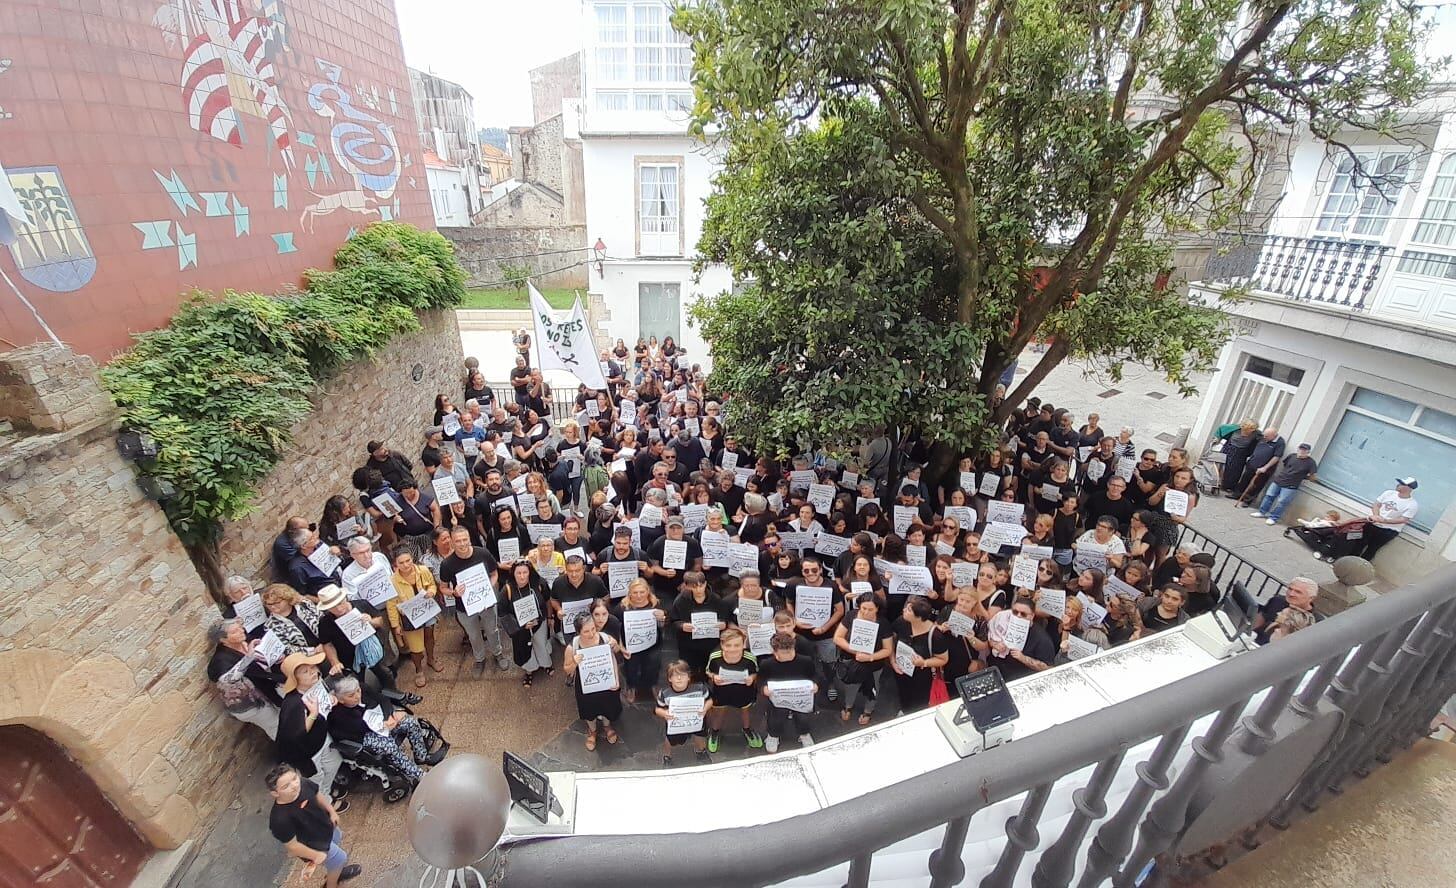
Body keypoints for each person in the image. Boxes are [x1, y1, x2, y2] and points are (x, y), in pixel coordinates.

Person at [326, 675, 444, 786]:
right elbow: (358, 728)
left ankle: (421, 755)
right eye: (351, 696)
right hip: (362, 734)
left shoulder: (363, 689)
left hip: (381, 719)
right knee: (390, 746)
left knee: (410, 722)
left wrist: (389, 715)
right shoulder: (338, 714)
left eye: (358, 690)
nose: (357, 696)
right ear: (341, 700)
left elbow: (382, 699)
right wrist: (383, 725)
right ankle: (418, 775)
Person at [266, 763, 360, 887]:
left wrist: (332, 812)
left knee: (337, 842)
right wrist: (315, 855)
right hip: (312, 844)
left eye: (294, 778)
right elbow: (292, 847)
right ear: (275, 793)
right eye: (285, 786)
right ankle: (331, 885)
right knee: (340, 858)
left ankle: (336, 872)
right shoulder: (279, 819)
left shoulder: (303, 783)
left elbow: (317, 794)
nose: (294, 786)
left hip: (325, 825)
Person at [437, 526, 511, 675]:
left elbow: (494, 573)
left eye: (465, 540)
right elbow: (443, 588)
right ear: (452, 542)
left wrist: (489, 586)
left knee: (492, 630)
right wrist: (453, 592)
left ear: (470, 539)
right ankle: (479, 659)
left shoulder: (482, 553)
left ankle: (498, 654)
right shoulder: (447, 564)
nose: (462, 544)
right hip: (464, 608)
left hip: (486, 603)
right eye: (458, 541)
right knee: (474, 635)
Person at [275, 651, 345, 809]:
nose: (313, 672)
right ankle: (325, 801)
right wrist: (313, 714)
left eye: (313, 667)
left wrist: (330, 700)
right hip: (307, 751)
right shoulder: (293, 703)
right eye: (306, 672)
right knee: (316, 776)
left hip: (322, 738)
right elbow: (295, 733)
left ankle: (326, 790)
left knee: (334, 762)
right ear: (296, 679)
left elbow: (323, 700)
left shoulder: (316, 684)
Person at [207, 618, 282, 738]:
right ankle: (294, 753)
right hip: (250, 704)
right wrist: (249, 657)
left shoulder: (245, 640)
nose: (241, 631)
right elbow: (227, 679)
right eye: (235, 631)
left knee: (284, 717)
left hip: (267, 690)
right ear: (223, 639)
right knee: (276, 726)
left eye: (240, 627)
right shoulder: (221, 660)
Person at [316, 585, 398, 695]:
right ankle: (367, 700)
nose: (339, 609)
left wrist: (371, 621)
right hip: (348, 658)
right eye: (333, 607)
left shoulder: (361, 604)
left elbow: (380, 621)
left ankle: (393, 694)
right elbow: (327, 643)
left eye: (340, 603)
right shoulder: (325, 622)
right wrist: (335, 662)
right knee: (356, 683)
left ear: (345, 598)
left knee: (385, 673)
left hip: (372, 650)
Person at [563, 612, 623, 750]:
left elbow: (614, 656)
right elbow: (567, 670)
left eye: (593, 629)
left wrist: (616, 679)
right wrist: (574, 663)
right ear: (578, 632)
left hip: (606, 681)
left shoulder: (604, 637)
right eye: (586, 631)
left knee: (608, 706)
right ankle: (592, 731)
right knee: (589, 709)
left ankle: (607, 726)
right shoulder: (573, 646)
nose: (591, 634)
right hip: (586, 685)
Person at [832, 595, 894, 726]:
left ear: (877, 608)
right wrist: (854, 651)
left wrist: (870, 657)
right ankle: (848, 706)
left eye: (870, 609)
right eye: (863, 608)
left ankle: (868, 711)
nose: (866, 612)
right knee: (851, 686)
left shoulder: (883, 623)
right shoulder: (851, 616)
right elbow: (837, 638)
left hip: (874, 664)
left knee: (873, 687)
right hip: (852, 661)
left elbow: (888, 649)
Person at [388, 548, 443, 689]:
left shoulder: (423, 570)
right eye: (401, 562)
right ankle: (419, 670)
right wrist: (396, 625)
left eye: (408, 561)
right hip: (409, 617)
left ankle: (431, 658)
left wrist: (431, 591)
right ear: (395, 564)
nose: (406, 565)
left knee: (430, 636)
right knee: (416, 647)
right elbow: (391, 605)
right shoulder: (393, 581)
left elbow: (431, 584)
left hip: (426, 610)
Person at [758, 631, 817, 753]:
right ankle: (773, 735)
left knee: (803, 717)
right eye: (784, 653)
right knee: (775, 718)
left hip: (801, 697)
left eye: (790, 651)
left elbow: (815, 675)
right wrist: (764, 688)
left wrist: (815, 684)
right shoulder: (767, 664)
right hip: (777, 698)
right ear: (774, 652)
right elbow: (761, 680)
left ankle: (804, 734)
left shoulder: (805, 661)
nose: (788, 655)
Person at [704, 627, 762, 751]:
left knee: (745, 711)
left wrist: (752, 678)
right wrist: (714, 677)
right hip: (721, 691)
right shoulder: (715, 657)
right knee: (719, 713)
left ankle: (747, 729)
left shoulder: (750, 658)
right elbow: (708, 671)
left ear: (744, 644)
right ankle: (714, 731)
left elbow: (756, 672)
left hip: (743, 691)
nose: (733, 649)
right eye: (728, 645)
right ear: (722, 645)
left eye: (737, 645)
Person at [890, 596, 951, 713]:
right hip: (902, 671)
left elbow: (943, 659)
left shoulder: (935, 636)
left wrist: (924, 662)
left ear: (918, 617)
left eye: (908, 610)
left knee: (919, 703)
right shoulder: (901, 622)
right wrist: (893, 661)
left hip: (922, 677)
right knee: (903, 695)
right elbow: (892, 639)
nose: (904, 610)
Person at [499, 560, 553, 687]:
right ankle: (529, 671)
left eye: (525, 572)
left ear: (530, 572)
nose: (522, 576)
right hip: (520, 629)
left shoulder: (539, 583)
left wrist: (549, 617)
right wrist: (520, 625)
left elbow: (547, 600)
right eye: (519, 573)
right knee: (524, 649)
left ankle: (546, 664)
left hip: (539, 623)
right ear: (513, 574)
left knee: (541, 644)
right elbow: (503, 613)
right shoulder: (507, 590)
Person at [655, 660, 713, 766]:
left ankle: (701, 752)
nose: (679, 678)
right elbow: (658, 709)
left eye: (682, 675)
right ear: (669, 679)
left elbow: (709, 700)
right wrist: (664, 714)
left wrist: (705, 709)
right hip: (676, 724)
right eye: (675, 675)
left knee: (700, 737)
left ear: (689, 677)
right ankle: (667, 756)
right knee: (670, 741)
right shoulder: (664, 694)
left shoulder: (700, 689)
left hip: (697, 721)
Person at [987, 598, 1055, 682]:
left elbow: (1048, 668)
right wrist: (995, 644)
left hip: (1020, 677)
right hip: (997, 671)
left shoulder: (1042, 638)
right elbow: (990, 639)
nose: (1018, 616)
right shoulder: (1003, 621)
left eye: (1023, 614)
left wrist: (1023, 658)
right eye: (1015, 612)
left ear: (1032, 616)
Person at [1252, 443, 1318, 524]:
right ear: (1298, 449)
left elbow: (1312, 476)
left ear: (1308, 452)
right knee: (1269, 496)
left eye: (1304, 450)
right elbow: (1285, 465)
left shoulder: (1311, 462)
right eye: (1301, 449)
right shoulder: (1292, 456)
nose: (1302, 451)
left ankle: (1273, 518)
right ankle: (1262, 512)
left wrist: (1303, 477)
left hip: (1291, 485)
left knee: (1282, 502)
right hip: (1279, 480)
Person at [1356, 478, 1419, 561]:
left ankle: (1359, 568)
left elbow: (1403, 519)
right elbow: (1376, 505)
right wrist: (1376, 516)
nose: (1398, 485)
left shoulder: (1412, 504)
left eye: (1402, 484)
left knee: (1371, 549)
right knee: (1358, 544)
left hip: (1388, 530)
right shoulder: (1389, 493)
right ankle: (1347, 564)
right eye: (1399, 483)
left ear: (1409, 488)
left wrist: (1384, 521)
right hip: (1373, 523)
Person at [1253, 576, 1321, 645]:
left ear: (1311, 598)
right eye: (1290, 589)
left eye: (1298, 592)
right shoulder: (1277, 601)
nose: (1291, 594)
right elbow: (1261, 618)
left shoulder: (1316, 621)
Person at [263, 584, 326, 656]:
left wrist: (325, 643)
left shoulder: (304, 604)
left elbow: (322, 619)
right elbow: (286, 648)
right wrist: (314, 651)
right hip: (307, 657)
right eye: (269, 604)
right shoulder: (270, 625)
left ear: (287, 598)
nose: (273, 606)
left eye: (277, 603)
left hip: (327, 643)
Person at [1234, 427, 1286, 506]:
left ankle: (1247, 500)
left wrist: (1265, 467)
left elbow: (1276, 457)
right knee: (1244, 479)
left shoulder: (1280, 443)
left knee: (1256, 485)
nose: (1264, 438)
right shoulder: (1262, 437)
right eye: (1264, 435)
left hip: (1264, 468)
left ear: (1274, 435)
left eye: (1267, 436)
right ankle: (1237, 494)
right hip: (1252, 463)